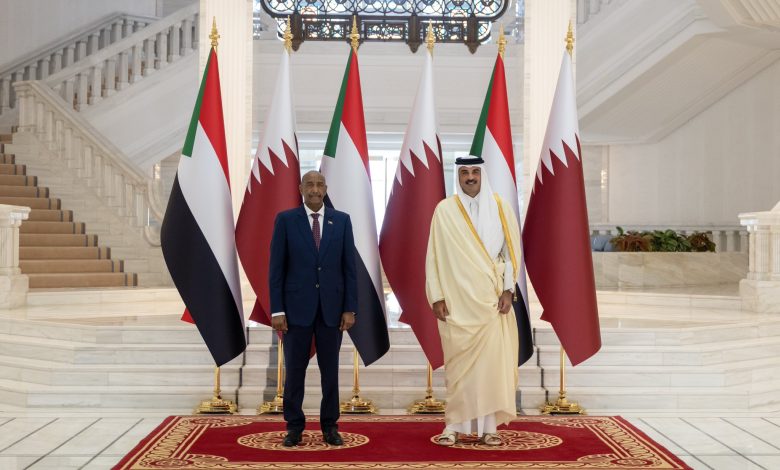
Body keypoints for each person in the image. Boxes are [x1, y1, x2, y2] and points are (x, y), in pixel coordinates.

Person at [425, 155, 522, 446]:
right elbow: (433, 255)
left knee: (490, 368)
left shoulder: (501, 208)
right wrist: (437, 296)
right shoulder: (444, 210)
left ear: (483, 175)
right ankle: (453, 426)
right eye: (464, 172)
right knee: (459, 369)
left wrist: (508, 291)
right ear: (458, 176)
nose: (470, 177)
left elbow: (511, 253)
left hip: (491, 302)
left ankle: (489, 428)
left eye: (475, 172)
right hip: (456, 302)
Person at [269, 170, 357, 447]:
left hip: (332, 311)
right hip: (295, 311)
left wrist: (350, 308)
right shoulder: (286, 220)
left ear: (325, 188)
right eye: (310, 184)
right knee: (295, 372)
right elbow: (276, 268)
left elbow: (349, 268)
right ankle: (294, 427)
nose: (315, 189)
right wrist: (277, 310)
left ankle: (330, 426)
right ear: (301, 188)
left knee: (330, 372)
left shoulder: (341, 220)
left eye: (319, 184)